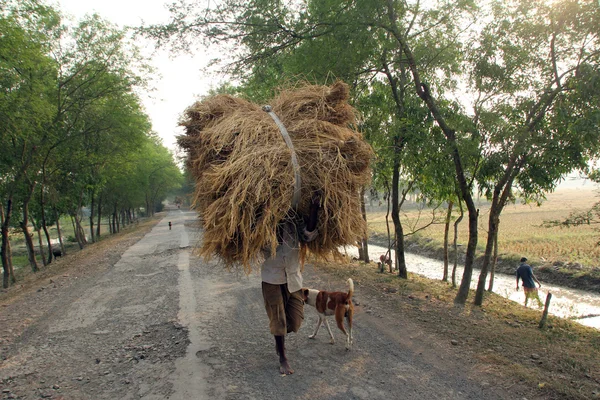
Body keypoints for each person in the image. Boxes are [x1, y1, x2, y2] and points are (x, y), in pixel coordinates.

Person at [261, 194, 320, 375]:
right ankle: (282, 356)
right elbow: (261, 243)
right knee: (278, 319)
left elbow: (309, 235)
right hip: (272, 277)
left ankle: (279, 338)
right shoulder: (264, 223)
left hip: (293, 277)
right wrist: (270, 219)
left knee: (294, 322)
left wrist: (314, 209)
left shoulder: (294, 220)